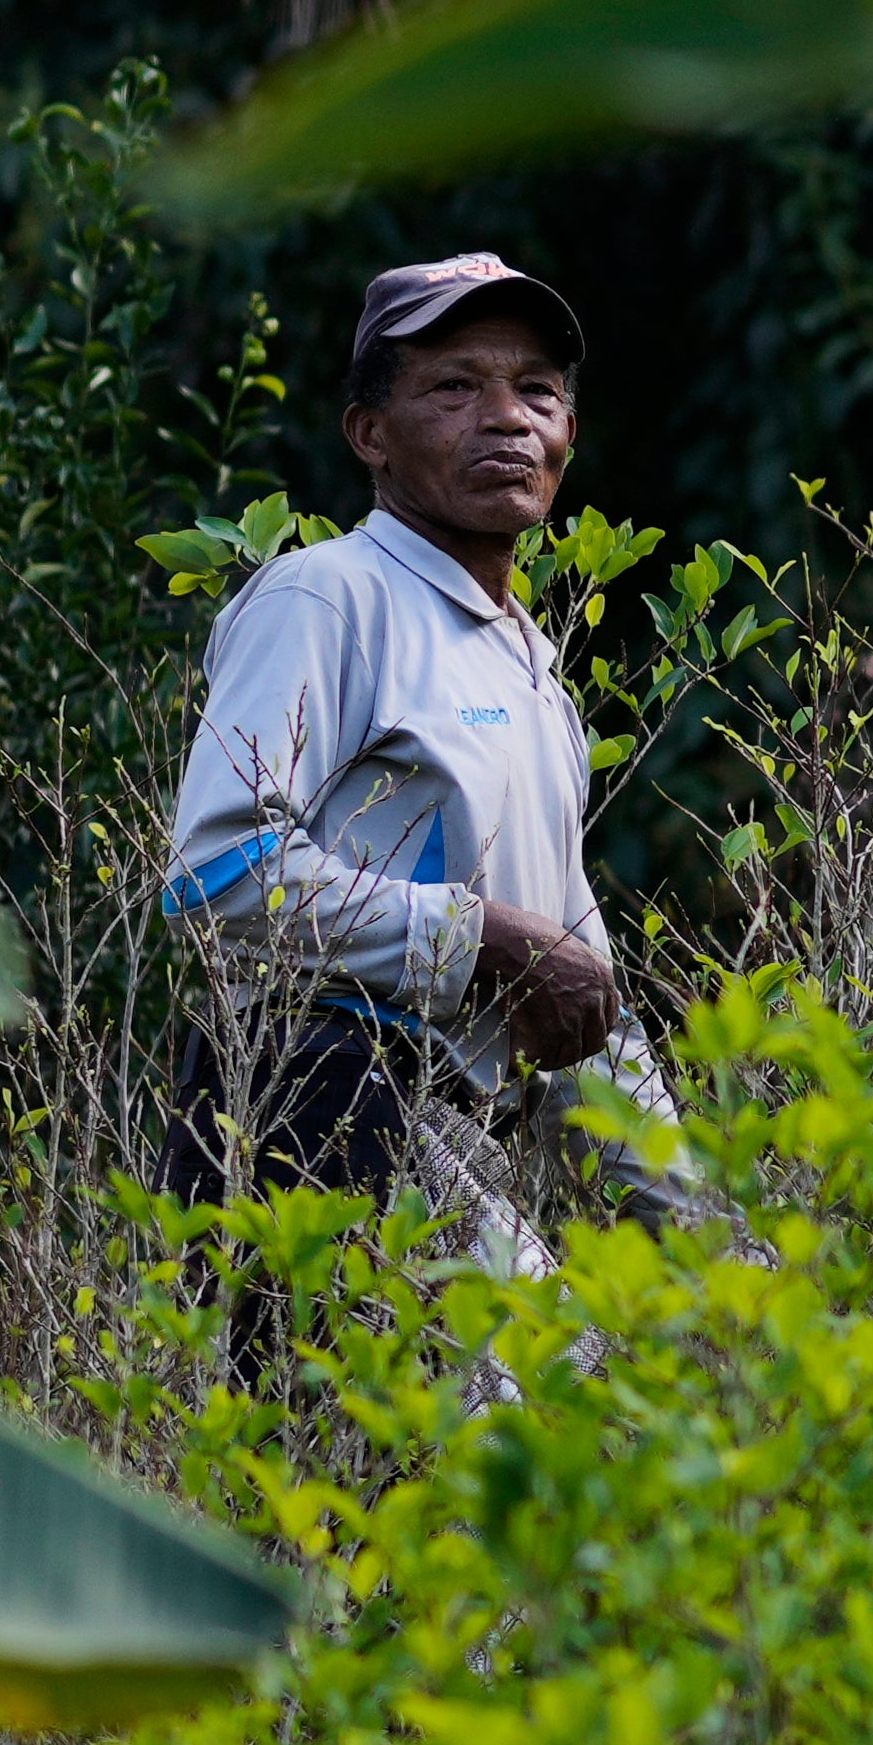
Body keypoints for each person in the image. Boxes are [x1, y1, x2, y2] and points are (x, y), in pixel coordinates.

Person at [157, 250, 695, 1262]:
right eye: (454, 387)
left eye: (535, 392)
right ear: (371, 435)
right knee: (519, 1398)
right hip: (311, 1097)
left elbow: (578, 990)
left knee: (573, 1395)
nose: (505, 419)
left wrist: (707, 1244)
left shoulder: (535, 673)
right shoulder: (324, 596)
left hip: (448, 1127)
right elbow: (215, 874)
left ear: (567, 437)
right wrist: (479, 937)